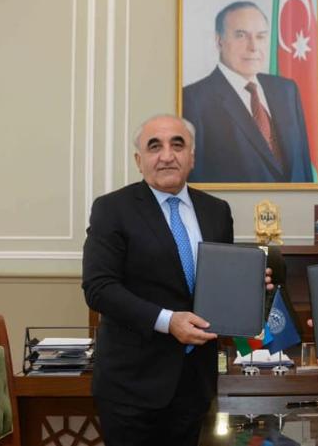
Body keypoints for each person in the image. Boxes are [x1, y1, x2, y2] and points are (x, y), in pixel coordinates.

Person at [82, 114, 234, 446]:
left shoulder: (217, 211)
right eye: (155, 146)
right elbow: (99, 288)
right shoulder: (112, 209)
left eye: (177, 145)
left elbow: (219, 283)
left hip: (195, 384)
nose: (167, 155)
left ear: (192, 157)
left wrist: (249, 287)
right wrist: (168, 321)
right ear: (139, 161)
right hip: (132, 386)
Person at [183, 0, 313, 183]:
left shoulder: (287, 91)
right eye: (241, 36)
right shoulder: (192, 101)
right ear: (219, 41)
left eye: (260, 37)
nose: (253, 47)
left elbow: (304, 168)